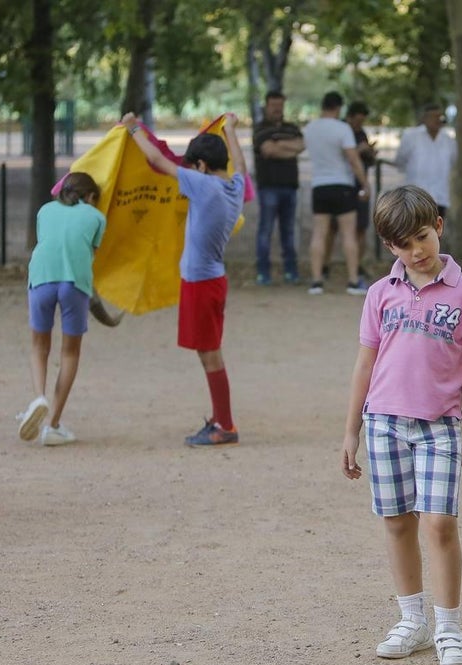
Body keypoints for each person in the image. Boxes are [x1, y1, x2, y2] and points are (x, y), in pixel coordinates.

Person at [341, 185, 462, 665]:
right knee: (397, 521)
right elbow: (365, 363)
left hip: (440, 428)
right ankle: (412, 620)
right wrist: (352, 432)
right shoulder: (379, 295)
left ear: (439, 227)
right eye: (404, 244)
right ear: (390, 248)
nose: (417, 251)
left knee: (440, 523)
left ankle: (449, 626)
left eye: (423, 237)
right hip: (383, 423)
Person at [120, 111, 248, 447]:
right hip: (210, 280)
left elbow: (158, 161)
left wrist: (133, 127)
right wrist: (231, 131)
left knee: (210, 354)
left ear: (202, 166)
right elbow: (241, 165)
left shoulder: (203, 184)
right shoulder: (234, 186)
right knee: (208, 352)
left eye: (193, 166)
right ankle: (222, 419)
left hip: (202, 283)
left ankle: (225, 424)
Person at [18, 171, 106, 447]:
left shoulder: (44, 211)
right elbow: (90, 250)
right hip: (74, 283)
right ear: (90, 197)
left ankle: (38, 399)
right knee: (69, 351)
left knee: (38, 345)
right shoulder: (96, 217)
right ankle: (53, 424)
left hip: (41, 278)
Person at [301, 91, 372, 296]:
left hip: (319, 185)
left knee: (319, 233)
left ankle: (316, 281)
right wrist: (365, 184)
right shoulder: (342, 129)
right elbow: (353, 159)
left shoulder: (311, 128)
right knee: (349, 234)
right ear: (338, 107)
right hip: (342, 184)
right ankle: (352, 280)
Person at [252, 91, 305, 286]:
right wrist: (287, 149)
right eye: (273, 105)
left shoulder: (292, 127)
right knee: (265, 230)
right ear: (266, 106)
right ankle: (263, 272)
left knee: (289, 231)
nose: (277, 109)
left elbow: (301, 145)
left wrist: (278, 144)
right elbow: (267, 150)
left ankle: (291, 271)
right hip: (268, 187)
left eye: (280, 105)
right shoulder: (259, 129)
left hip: (290, 187)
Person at [323, 100, 376, 280]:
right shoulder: (341, 131)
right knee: (332, 227)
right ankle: (325, 264)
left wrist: (368, 152)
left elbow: (365, 161)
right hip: (342, 184)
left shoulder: (362, 134)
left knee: (360, 228)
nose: (359, 125)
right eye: (357, 120)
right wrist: (356, 151)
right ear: (350, 117)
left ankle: (357, 265)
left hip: (359, 185)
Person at [394, 102, 457, 224]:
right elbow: (400, 161)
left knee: (435, 235)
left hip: (439, 197)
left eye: (439, 116)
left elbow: (452, 161)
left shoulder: (448, 141)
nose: (437, 120)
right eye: (433, 116)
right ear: (424, 118)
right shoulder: (411, 137)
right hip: (415, 196)